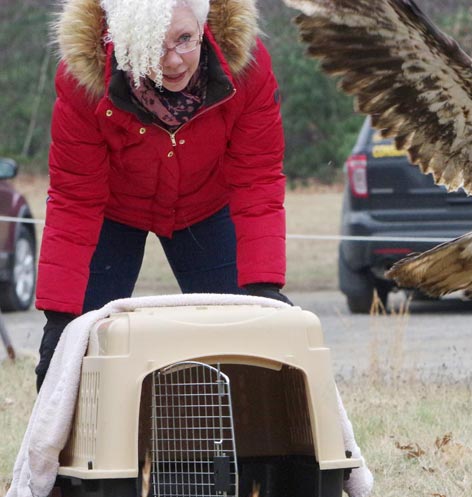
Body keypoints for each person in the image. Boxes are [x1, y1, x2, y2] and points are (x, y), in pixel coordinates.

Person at [36, 0, 289, 390]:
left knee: (246, 339)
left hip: (207, 204)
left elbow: (257, 179)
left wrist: (263, 283)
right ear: (124, 43)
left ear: (203, 26)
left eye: (185, 39)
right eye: (154, 46)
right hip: (113, 211)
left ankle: (253, 448)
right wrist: (60, 315)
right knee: (76, 346)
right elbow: (75, 198)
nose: (173, 61)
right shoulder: (81, 83)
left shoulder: (249, 69)